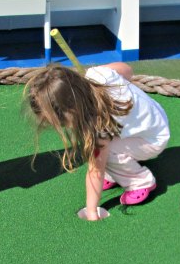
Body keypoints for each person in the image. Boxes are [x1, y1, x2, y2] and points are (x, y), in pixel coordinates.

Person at [24, 63, 170, 221]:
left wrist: (91, 211)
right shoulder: (98, 74)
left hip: (153, 139)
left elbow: (96, 171)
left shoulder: (98, 125)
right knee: (106, 148)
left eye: (60, 122)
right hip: (155, 116)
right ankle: (116, 173)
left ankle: (140, 182)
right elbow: (127, 69)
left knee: (107, 152)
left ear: (72, 111)